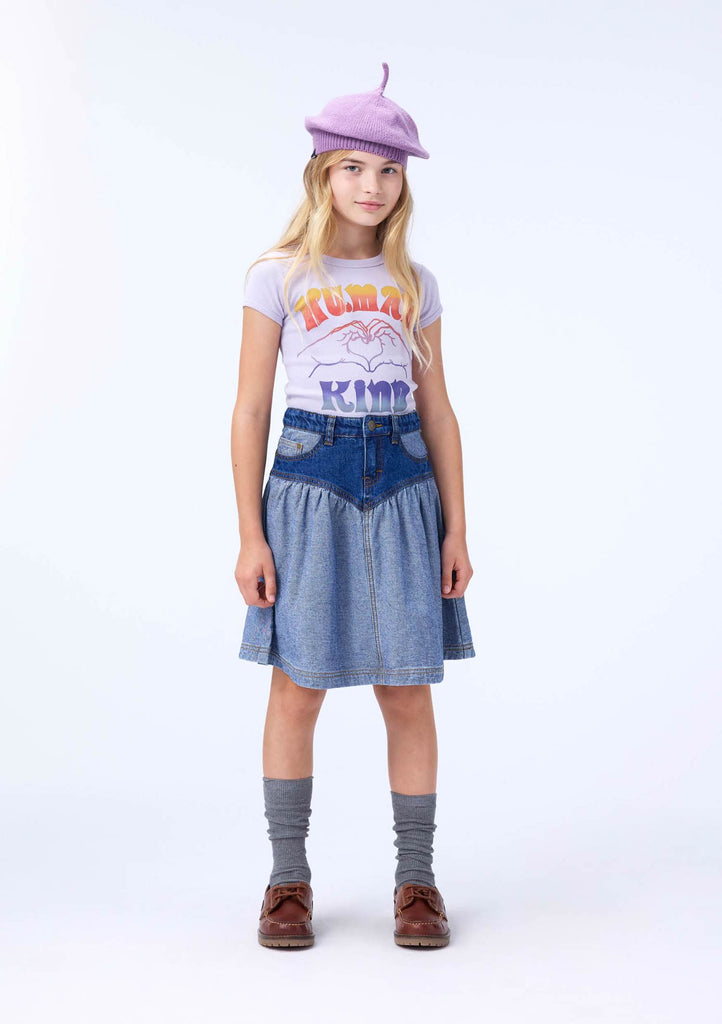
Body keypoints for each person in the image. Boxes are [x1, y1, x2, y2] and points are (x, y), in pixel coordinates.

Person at [231, 62, 475, 950]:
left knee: (405, 688)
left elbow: (438, 411)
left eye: (389, 170)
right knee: (297, 688)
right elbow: (251, 410)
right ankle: (286, 881)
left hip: (404, 485)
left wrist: (457, 526)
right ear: (322, 172)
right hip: (309, 482)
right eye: (353, 167)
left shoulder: (416, 283)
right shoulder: (279, 275)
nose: (372, 186)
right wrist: (250, 535)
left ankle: (417, 880)